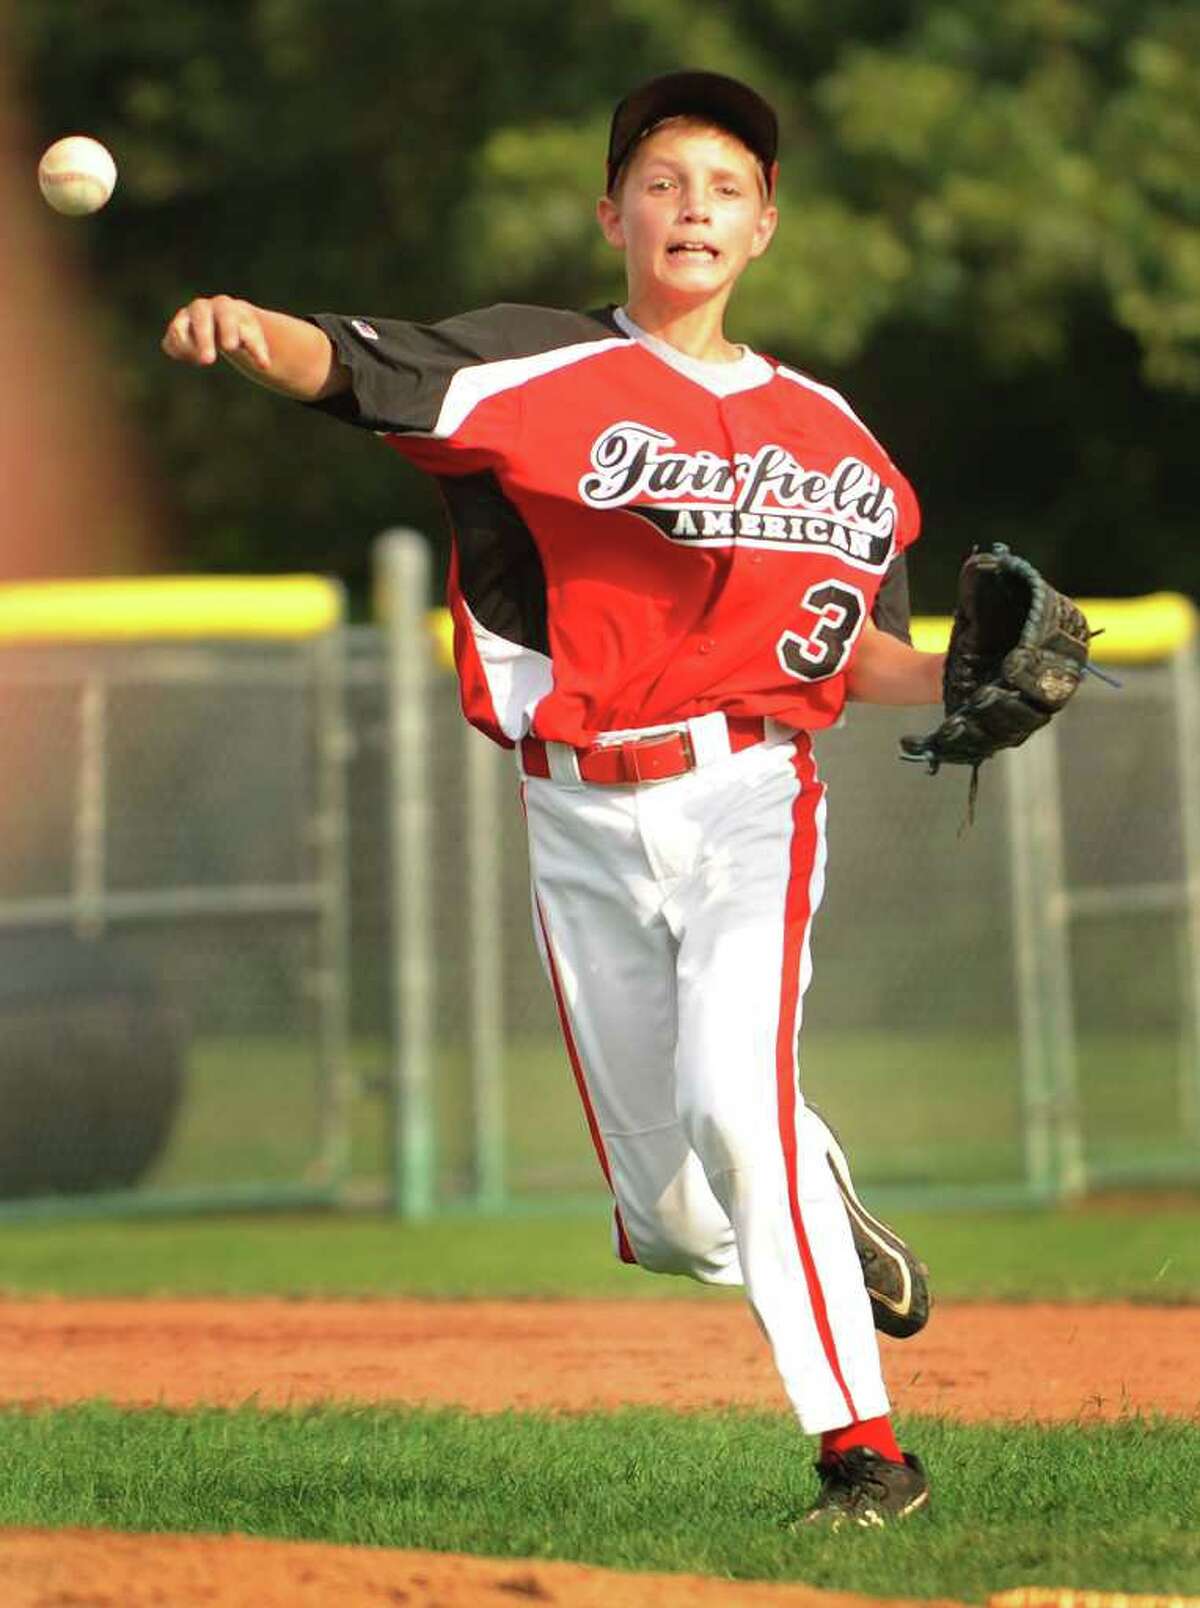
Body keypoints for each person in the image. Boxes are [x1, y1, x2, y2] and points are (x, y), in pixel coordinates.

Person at [162, 69, 943, 1528]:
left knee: (734, 1100)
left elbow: (866, 655)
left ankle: (865, 1456)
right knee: (667, 1216)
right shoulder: (530, 369)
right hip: (574, 815)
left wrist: (968, 691)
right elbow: (348, 366)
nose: (693, 206)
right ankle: (821, 1204)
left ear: (764, 228)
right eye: (662, 183)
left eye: (724, 187)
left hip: (747, 802)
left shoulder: (837, 440)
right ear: (613, 217)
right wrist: (240, 330)